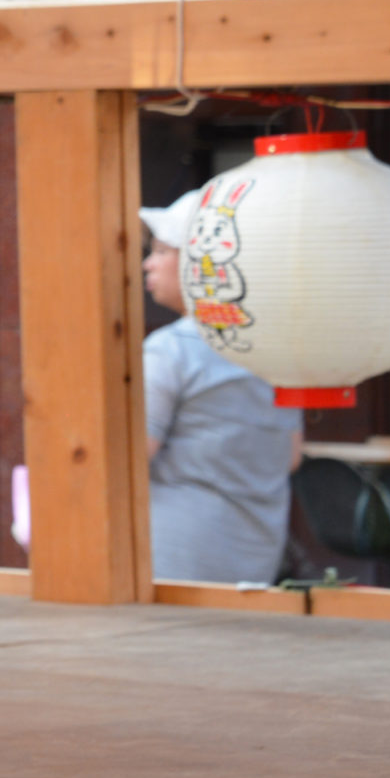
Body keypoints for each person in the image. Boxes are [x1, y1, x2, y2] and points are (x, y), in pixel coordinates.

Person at [137, 188, 304, 584]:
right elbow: (291, 456)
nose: (147, 263)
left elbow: (131, 454)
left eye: (161, 251)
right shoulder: (278, 349)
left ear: (200, 262)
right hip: (256, 558)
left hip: (173, 557)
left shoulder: (171, 349)